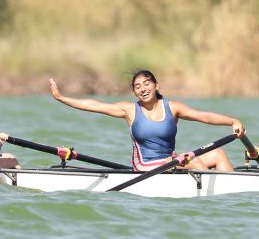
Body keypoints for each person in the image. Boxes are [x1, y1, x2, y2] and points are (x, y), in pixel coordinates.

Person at [48, 70, 246, 171]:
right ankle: (211, 197)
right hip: (145, 165)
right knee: (194, 162)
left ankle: (232, 198)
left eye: (146, 83)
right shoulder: (129, 110)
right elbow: (95, 105)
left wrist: (232, 121)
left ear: (156, 85)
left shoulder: (173, 107)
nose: (143, 89)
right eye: (137, 86)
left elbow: (205, 116)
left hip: (170, 161)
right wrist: (62, 98)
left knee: (218, 154)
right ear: (134, 92)